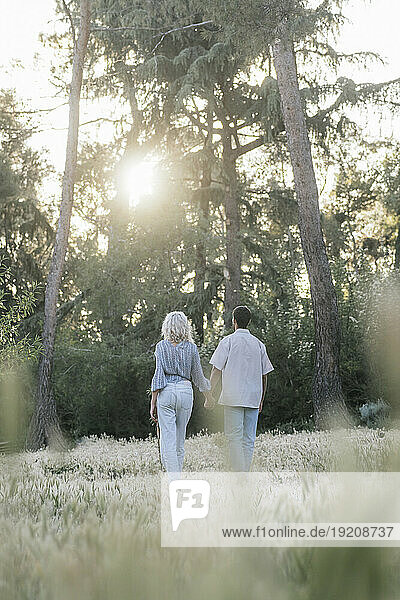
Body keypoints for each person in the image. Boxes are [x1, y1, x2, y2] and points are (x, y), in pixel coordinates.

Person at [206, 306, 274, 471]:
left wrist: (209, 395)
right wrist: (261, 400)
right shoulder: (259, 344)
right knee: (248, 440)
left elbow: (216, 370)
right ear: (249, 321)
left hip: (232, 397)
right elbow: (264, 376)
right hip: (253, 398)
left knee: (234, 438)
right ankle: (244, 473)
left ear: (234, 321)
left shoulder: (227, 342)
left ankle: (239, 475)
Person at [150, 311, 212, 475]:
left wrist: (153, 402)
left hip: (167, 391)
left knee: (167, 440)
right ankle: (177, 479)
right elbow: (198, 376)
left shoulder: (161, 347)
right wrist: (209, 397)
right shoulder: (191, 348)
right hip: (185, 391)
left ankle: (173, 481)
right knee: (179, 441)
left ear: (166, 327)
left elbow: (158, 375)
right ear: (185, 327)